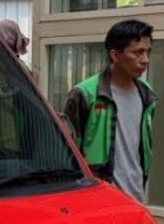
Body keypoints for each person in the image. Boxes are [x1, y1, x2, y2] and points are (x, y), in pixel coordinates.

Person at [62, 20, 156, 202]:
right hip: (97, 199)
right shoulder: (85, 94)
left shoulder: (147, 94)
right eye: (138, 52)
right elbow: (68, 153)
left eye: (148, 51)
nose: (145, 60)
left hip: (136, 197)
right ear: (115, 55)